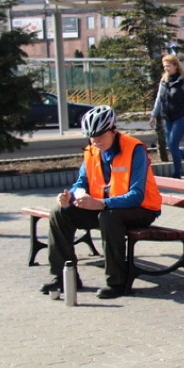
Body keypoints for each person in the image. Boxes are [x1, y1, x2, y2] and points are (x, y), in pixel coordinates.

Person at [39, 106, 162, 300]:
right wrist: (69, 197)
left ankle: (117, 282)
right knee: (59, 213)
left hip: (142, 209)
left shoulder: (134, 149)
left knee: (109, 216)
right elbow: (81, 183)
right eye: (90, 136)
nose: (95, 141)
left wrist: (101, 204)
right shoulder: (91, 151)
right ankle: (63, 277)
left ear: (113, 131)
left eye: (99, 136)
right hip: (104, 208)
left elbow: (137, 195)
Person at [149, 54, 184, 179]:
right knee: (171, 145)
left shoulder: (183, 82)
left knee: (173, 144)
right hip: (167, 117)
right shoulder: (163, 81)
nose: (166, 69)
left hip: (180, 117)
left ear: (175, 66)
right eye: (164, 66)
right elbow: (159, 99)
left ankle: (177, 173)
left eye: (168, 66)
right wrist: (153, 114)